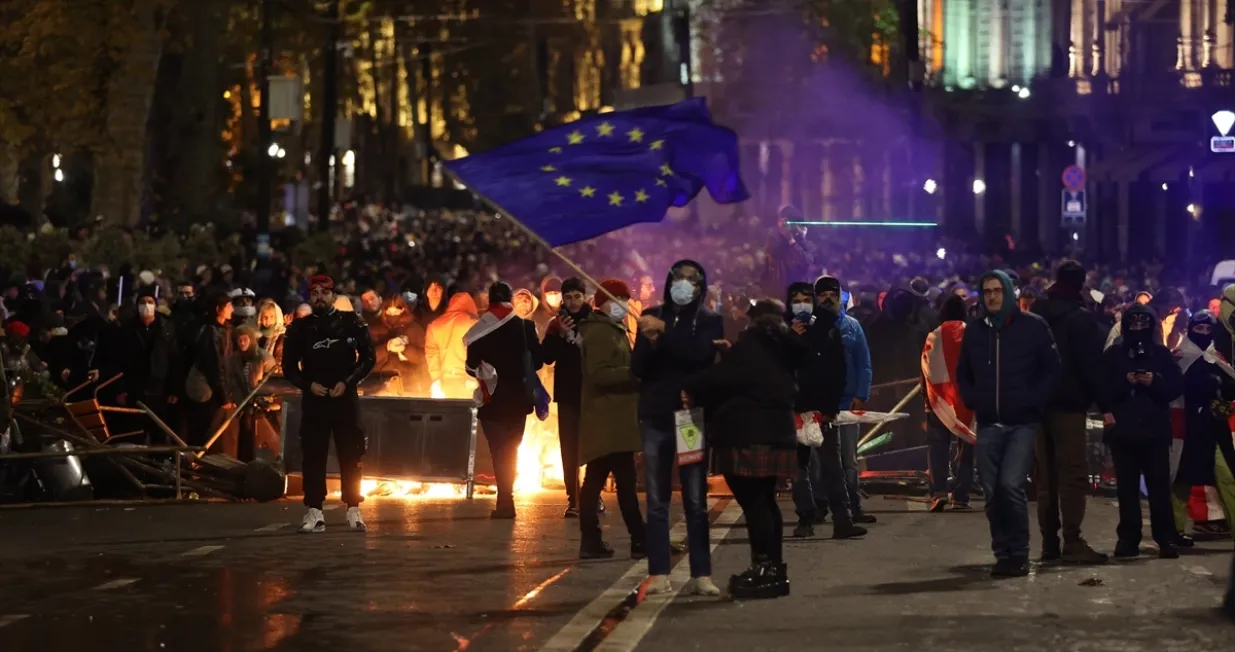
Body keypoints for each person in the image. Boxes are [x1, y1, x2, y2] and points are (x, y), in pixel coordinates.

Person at [684, 299, 805, 599]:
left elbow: (721, 380)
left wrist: (688, 380)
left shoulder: (750, 346)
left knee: (755, 505)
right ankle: (775, 568)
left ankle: (762, 568)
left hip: (747, 435)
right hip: (778, 434)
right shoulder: (784, 348)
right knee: (767, 503)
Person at [956, 270, 1061, 577]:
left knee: (1010, 486)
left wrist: (1033, 400)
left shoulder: (1033, 327)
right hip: (988, 422)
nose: (991, 296)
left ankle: (1019, 553)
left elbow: (1052, 370)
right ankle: (1002, 553)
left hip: (1022, 423)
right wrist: (973, 398)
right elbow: (963, 371)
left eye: (997, 290)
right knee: (992, 492)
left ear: (1009, 293)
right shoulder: (976, 332)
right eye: (986, 290)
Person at [631, 259, 724, 597]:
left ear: (701, 287)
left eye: (692, 280)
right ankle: (658, 571)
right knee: (656, 498)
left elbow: (698, 356)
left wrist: (665, 334)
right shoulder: (653, 314)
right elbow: (638, 366)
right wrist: (650, 340)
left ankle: (701, 573)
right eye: (679, 278)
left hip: (690, 417)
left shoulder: (710, 321)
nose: (685, 284)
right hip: (656, 414)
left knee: (695, 497)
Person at [1029, 260, 1110, 564]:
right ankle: (1072, 541)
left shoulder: (1036, 314)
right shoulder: (1081, 319)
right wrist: (1105, 406)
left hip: (1039, 405)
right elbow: (1090, 367)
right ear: (1081, 284)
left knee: (1046, 476)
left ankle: (1049, 541)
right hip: (1069, 406)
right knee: (1073, 474)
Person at [282, 274, 376, 534]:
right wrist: (307, 384)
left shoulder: (351, 322)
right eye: (314, 293)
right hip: (315, 400)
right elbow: (288, 367)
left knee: (351, 453)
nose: (319, 297)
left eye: (325, 292)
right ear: (309, 297)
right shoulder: (299, 328)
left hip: (344, 398)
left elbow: (368, 358)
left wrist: (348, 382)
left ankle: (353, 508)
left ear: (333, 295)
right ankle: (314, 510)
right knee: (313, 455)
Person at [1101, 302, 1184, 559]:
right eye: (1133, 323)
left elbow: (1174, 387)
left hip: (1155, 431)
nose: (1138, 328)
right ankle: (1128, 538)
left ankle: (1165, 538)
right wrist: (1125, 382)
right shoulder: (1114, 355)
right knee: (1126, 490)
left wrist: (1153, 382)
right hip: (1123, 432)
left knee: (1159, 489)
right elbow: (1101, 391)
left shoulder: (1160, 355)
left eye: (1142, 323)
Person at [785, 281, 865, 539]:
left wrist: (831, 406)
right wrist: (791, 339)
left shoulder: (827, 329)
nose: (801, 304)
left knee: (833, 467)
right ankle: (806, 518)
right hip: (795, 411)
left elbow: (838, 369)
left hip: (822, 411)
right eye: (796, 300)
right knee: (799, 470)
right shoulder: (781, 331)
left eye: (806, 299)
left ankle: (842, 521)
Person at [576, 279, 647, 559]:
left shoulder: (613, 329)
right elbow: (598, 374)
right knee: (619, 482)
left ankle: (593, 541)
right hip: (607, 418)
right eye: (618, 298)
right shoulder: (600, 333)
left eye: (625, 298)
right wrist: (634, 374)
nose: (624, 304)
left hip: (614, 417)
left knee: (601, 480)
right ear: (604, 302)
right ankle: (637, 539)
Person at [464, 281, 544, 519]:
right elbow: (538, 362)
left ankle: (505, 502)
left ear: (489, 301)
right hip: (519, 401)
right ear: (511, 300)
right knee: (511, 451)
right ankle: (506, 499)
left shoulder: (479, 330)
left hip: (493, 402)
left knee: (499, 453)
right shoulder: (525, 327)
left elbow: (470, 368)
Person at [814, 275, 875, 524]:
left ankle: (853, 506)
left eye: (833, 293)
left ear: (840, 297)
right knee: (817, 462)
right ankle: (820, 507)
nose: (828, 298)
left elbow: (864, 364)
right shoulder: (810, 327)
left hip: (847, 404)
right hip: (818, 406)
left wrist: (861, 395)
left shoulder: (852, 326)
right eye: (823, 294)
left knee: (849, 459)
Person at [1171, 311, 1235, 542]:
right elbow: (1174, 388)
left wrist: (1222, 394)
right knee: (1181, 480)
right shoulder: (1180, 357)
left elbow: (1229, 386)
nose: (1204, 334)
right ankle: (1174, 530)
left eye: (1208, 330)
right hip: (1188, 428)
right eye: (1199, 329)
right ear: (1190, 329)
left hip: (1214, 427)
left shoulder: (1216, 357)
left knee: (1227, 477)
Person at [921, 295, 976, 512]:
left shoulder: (933, 335)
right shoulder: (970, 333)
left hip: (938, 400)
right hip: (966, 401)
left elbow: (925, 368)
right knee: (966, 447)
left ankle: (938, 493)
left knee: (937, 447)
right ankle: (961, 496)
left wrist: (927, 397)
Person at [542, 277, 589, 517]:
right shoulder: (555, 323)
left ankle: (593, 496)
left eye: (577, 296)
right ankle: (574, 498)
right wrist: (559, 335)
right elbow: (546, 357)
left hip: (592, 393)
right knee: (569, 448)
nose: (572, 302)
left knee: (591, 447)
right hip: (568, 394)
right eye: (568, 297)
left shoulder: (595, 321)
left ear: (585, 297)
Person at [425, 286, 479, 399]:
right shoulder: (474, 325)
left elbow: (431, 354)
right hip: (467, 384)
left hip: (445, 382)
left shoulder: (434, 325)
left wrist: (436, 379)